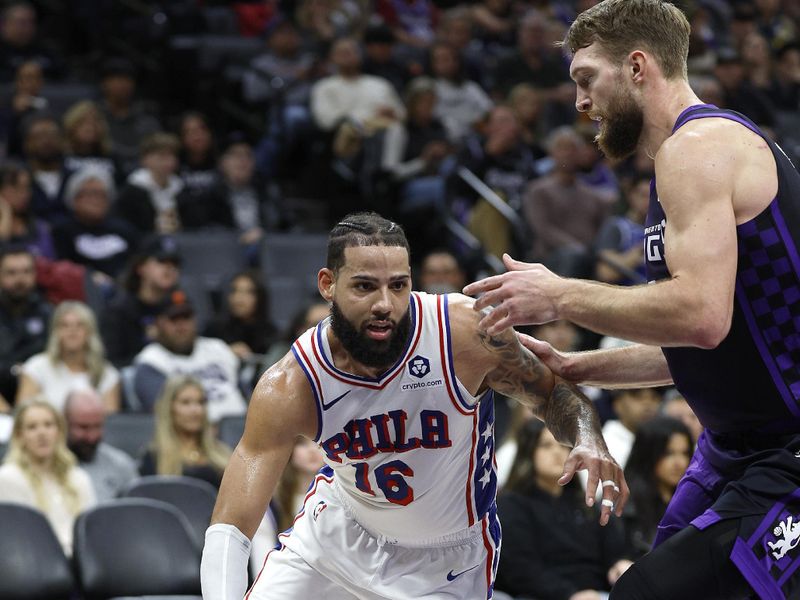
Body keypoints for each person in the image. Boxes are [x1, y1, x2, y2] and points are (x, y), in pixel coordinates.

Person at [463, 1, 800, 597]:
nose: (579, 102)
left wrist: (560, 295)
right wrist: (575, 367)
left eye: (586, 78)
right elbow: (708, 347)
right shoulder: (676, 164)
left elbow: (701, 317)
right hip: (737, 448)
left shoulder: (697, 149)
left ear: (638, 67)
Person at [200, 212, 625, 600]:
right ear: (328, 284)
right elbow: (232, 526)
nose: (385, 303)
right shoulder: (291, 384)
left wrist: (588, 437)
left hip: (445, 563)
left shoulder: (462, 333)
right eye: (365, 286)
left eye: (398, 285)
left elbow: (553, 392)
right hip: (337, 535)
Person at [495, 419, 632, 600]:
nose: (558, 453)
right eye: (546, 446)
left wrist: (619, 564)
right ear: (528, 452)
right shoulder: (511, 505)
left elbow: (614, 551)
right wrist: (569, 594)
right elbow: (521, 570)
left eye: (563, 446)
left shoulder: (586, 503)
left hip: (597, 594)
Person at [132, 289, 247, 423]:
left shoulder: (218, 348)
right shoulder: (151, 361)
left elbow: (247, 395)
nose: (181, 326)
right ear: (158, 323)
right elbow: (165, 417)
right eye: (173, 319)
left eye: (186, 317)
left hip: (243, 430)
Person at [0, 397, 95, 556]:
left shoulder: (78, 477)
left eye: (48, 425)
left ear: (59, 431)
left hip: (82, 563)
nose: (42, 433)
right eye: (32, 427)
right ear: (19, 435)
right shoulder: (7, 478)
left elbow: (92, 531)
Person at [17, 300, 120, 412]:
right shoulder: (36, 368)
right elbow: (23, 416)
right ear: (55, 332)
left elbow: (111, 422)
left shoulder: (108, 374)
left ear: (90, 332)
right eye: (65, 325)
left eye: (80, 325)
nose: (72, 330)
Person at [99, 234, 181, 367]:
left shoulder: (179, 307)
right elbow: (112, 364)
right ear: (141, 268)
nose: (169, 269)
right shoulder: (119, 311)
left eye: (174, 264)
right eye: (162, 262)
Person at [139, 375, 232, 489]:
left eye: (201, 402)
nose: (196, 410)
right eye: (185, 402)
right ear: (169, 408)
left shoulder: (223, 454)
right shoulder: (153, 457)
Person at [622, 416, 692, 559]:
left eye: (684, 453)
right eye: (668, 453)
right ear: (648, 453)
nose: (679, 463)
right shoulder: (624, 504)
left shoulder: (695, 499)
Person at [0, 245, 51, 410]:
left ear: (35, 275)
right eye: (12, 273)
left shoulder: (48, 313)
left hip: (40, 391)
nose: (20, 279)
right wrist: (14, 370)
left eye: (26, 272)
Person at [63, 388, 138, 502]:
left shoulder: (121, 465)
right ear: (64, 423)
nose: (91, 437)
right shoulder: (44, 465)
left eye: (97, 426)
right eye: (83, 427)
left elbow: (137, 513)